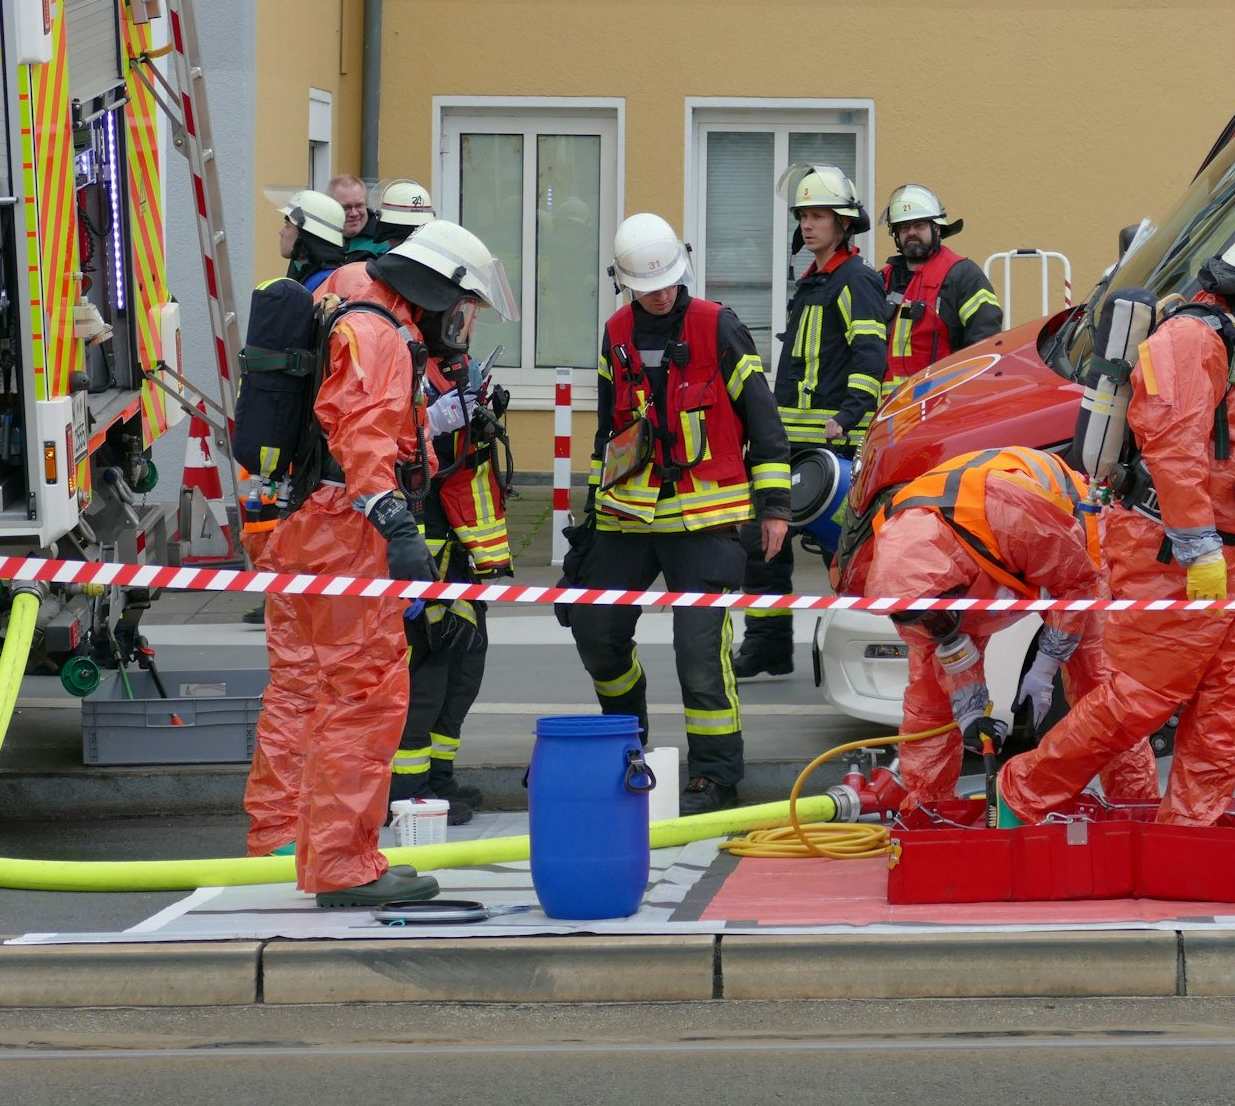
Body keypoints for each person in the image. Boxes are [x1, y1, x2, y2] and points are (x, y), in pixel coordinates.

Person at [999, 206, 1235, 827]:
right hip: (1175, 553)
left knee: (1228, 704)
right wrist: (1199, 546)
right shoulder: (1192, 339)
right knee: (1141, 699)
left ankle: (1189, 832)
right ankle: (1021, 791)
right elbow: (1172, 446)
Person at [261, 219, 517, 906]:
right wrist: (398, 525)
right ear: (433, 291)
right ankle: (343, 866)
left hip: (304, 523)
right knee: (365, 695)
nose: (458, 325)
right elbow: (366, 441)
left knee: (302, 690)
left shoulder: (348, 293)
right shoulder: (381, 339)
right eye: (459, 309)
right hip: (345, 532)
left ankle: (284, 843)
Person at [571, 213, 790, 815]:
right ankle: (626, 741)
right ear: (627, 284)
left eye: (668, 281)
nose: (661, 294)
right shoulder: (615, 332)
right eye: (648, 286)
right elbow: (606, 433)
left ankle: (716, 776)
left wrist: (774, 507)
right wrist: (589, 526)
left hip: (705, 518)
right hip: (627, 517)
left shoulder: (718, 327)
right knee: (596, 631)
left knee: (699, 650)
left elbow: (763, 423)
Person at [847, 447, 1158, 809]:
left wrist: (1044, 668)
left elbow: (1075, 584)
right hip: (983, 561)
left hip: (1073, 545)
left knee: (1099, 687)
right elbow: (944, 646)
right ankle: (929, 812)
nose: (938, 627)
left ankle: (1135, 808)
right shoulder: (902, 585)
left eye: (940, 618)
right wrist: (971, 716)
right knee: (928, 701)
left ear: (957, 588)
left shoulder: (1012, 516)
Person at [733, 164, 888, 679]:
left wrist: (846, 419)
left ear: (843, 224)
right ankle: (769, 645)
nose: (807, 224)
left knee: (843, 553)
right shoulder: (816, 279)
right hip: (788, 442)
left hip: (833, 447)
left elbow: (871, 359)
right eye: (803, 215)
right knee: (763, 547)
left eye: (818, 215)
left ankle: (866, 648)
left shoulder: (857, 279)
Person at [389, 326, 515, 822]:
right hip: (420, 542)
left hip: (458, 547)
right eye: (458, 312)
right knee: (428, 672)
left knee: (465, 663)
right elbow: (381, 444)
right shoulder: (395, 354)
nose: (463, 325)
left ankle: (438, 778)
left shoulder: (454, 362)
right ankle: (408, 792)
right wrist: (431, 422)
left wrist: (480, 414)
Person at [240, 189, 349, 629]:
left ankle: (291, 600)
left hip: (311, 450)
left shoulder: (317, 290)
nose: (281, 229)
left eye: (289, 222)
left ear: (305, 236)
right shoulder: (320, 286)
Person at [878, 183, 1003, 394]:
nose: (911, 233)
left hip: (939, 407)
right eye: (904, 227)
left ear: (936, 228)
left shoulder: (963, 275)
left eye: (919, 226)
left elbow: (984, 344)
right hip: (887, 411)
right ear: (896, 234)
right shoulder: (883, 279)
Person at [337, 175, 435, 262]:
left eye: (359, 206)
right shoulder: (438, 259)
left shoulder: (381, 263)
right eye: (346, 207)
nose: (354, 213)